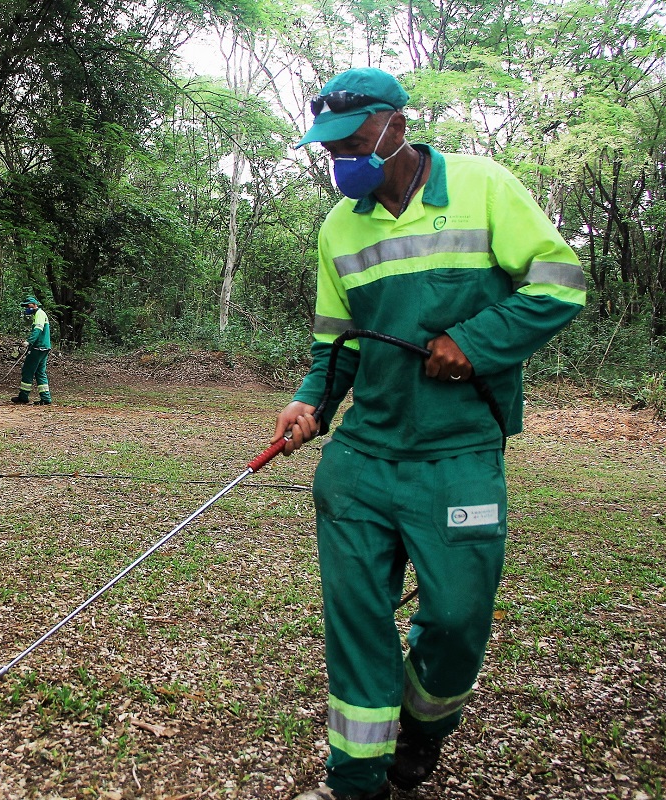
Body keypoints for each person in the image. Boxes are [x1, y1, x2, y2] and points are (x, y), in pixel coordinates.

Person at [278, 68, 585, 800]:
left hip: (458, 456)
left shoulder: (483, 187)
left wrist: (477, 340)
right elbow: (336, 344)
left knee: (453, 620)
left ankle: (421, 730)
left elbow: (560, 283)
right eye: (329, 151)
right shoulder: (338, 229)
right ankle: (354, 779)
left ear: (395, 128)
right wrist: (307, 403)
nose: (341, 161)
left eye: (352, 144)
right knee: (356, 620)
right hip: (361, 459)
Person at [10, 295, 52, 405]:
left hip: (38, 347)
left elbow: (38, 330)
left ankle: (23, 397)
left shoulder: (39, 314)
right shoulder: (39, 314)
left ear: (34, 305)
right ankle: (46, 398)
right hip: (44, 347)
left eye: (28, 306)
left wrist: (29, 342)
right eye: (25, 307)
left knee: (27, 370)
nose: (27, 308)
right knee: (40, 372)